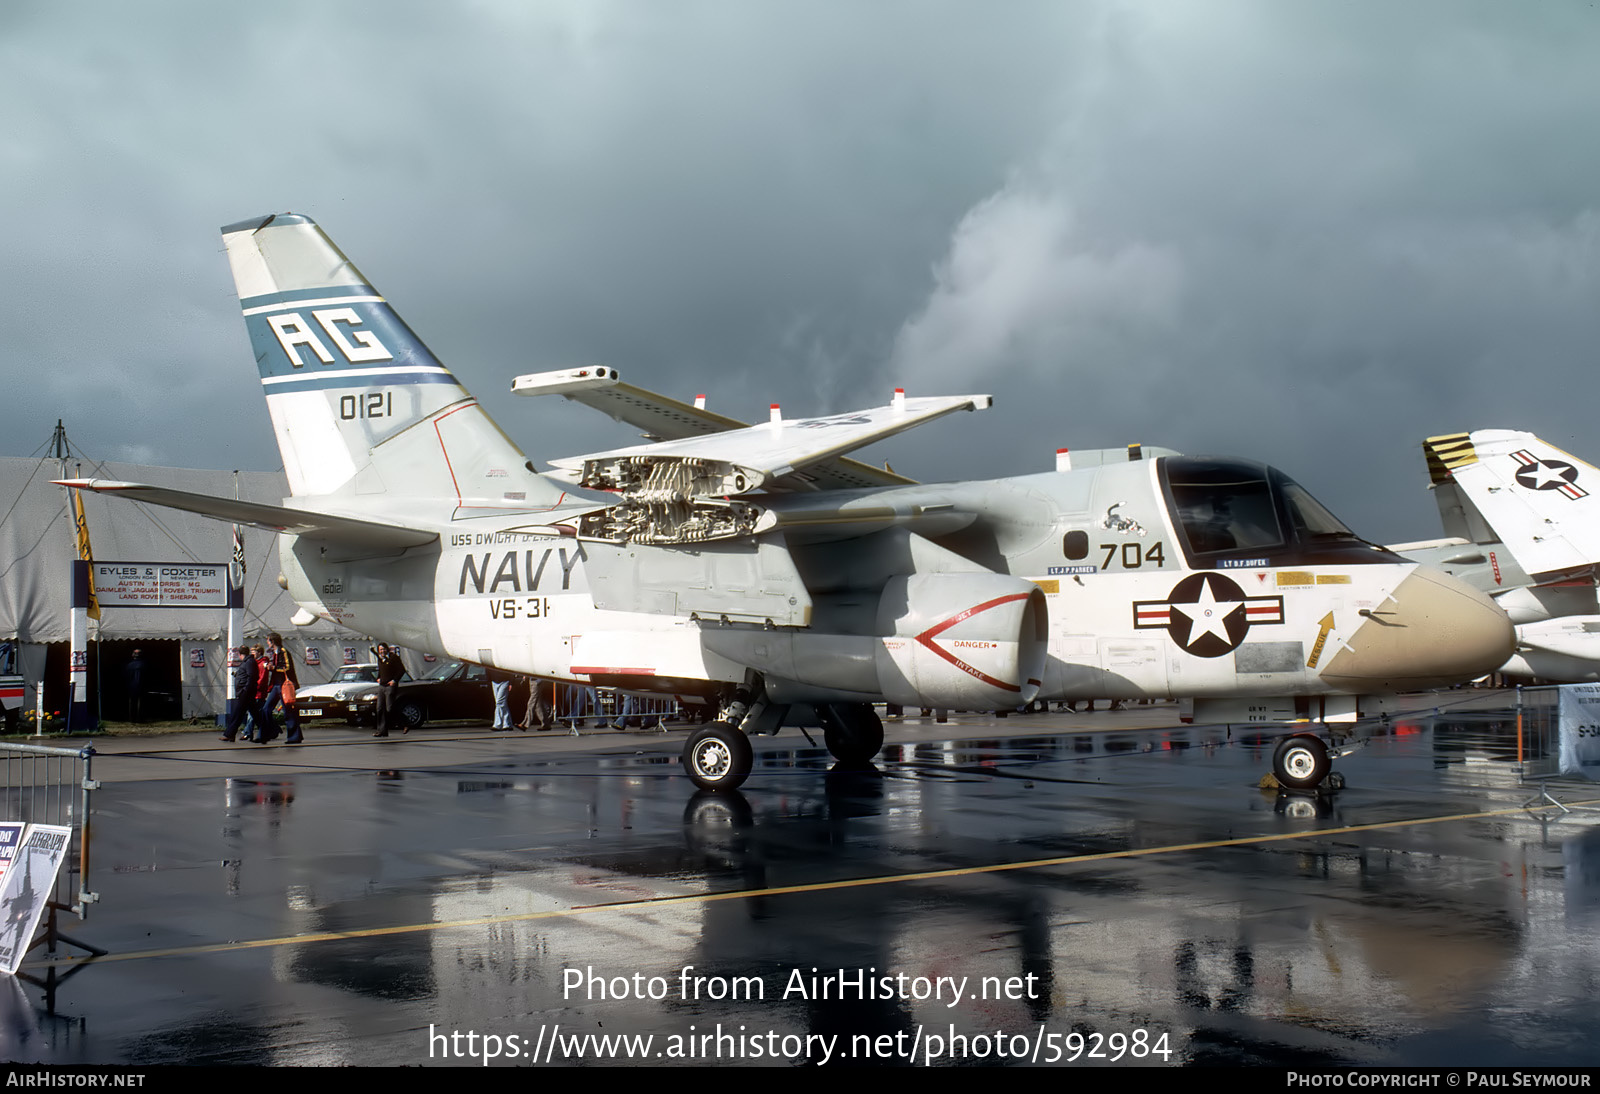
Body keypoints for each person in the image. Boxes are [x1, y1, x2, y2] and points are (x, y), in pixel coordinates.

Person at [220, 645, 257, 742]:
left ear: (240, 654)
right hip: (245, 692)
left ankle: (229, 734)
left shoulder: (249, 662)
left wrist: (245, 689)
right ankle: (269, 731)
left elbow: (251, 676)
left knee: (237, 713)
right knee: (255, 714)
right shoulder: (247, 662)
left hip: (245, 693)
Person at [373, 644, 405, 737]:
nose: (382, 651)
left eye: (383, 649)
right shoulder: (380, 659)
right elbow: (381, 671)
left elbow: (401, 670)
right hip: (381, 686)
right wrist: (378, 678)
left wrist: (395, 680)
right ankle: (381, 730)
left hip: (390, 687)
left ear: (387, 649)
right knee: (379, 708)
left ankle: (404, 723)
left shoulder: (394, 658)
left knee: (390, 708)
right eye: (380, 650)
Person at [281, 648, 302, 745]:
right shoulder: (276, 653)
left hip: (285, 685)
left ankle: (295, 736)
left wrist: (273, 667)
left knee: (289, 711)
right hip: (276, 686)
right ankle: (269, 732)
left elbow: (287, 667)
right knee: (266, 709)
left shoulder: (283, 651)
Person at [124, 648, 148, 722]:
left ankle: (132, 718)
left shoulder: (129, 665)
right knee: (141, 703)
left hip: (131, 686)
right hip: (141, 686)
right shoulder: (144, 665)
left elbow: (125, 676)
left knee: (132, 703)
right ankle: (140, 718)